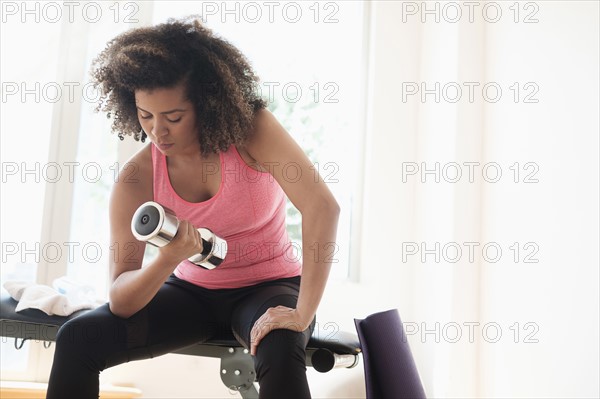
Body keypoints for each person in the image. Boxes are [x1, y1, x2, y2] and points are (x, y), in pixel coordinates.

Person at [46, 17, 340, 399]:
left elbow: (322, 208)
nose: (158, 132)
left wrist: (301, 313)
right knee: (78, 337)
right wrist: (168, 258)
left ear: (206, 102)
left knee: (281, 345)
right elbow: (120, 298)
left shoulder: (252, 132)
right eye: (145, 115)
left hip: (269, 287)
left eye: (174, 117)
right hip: (190, 293)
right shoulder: (137, 178)